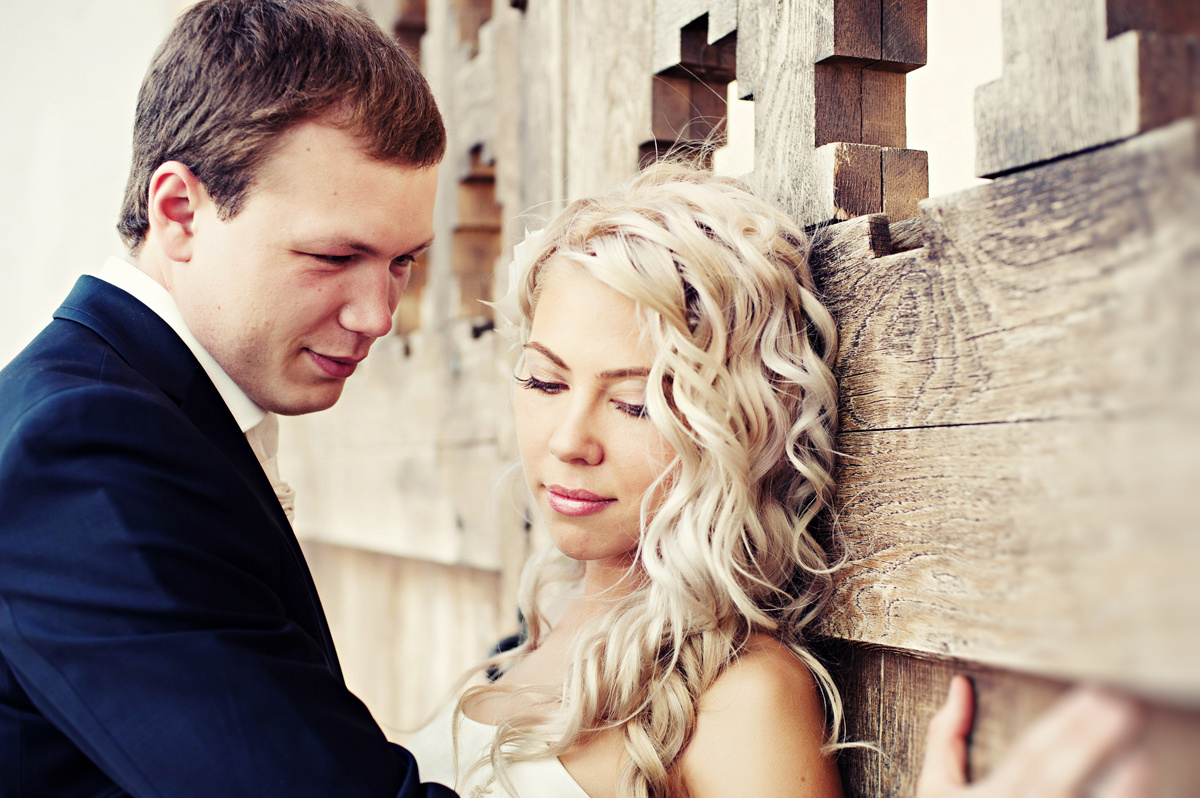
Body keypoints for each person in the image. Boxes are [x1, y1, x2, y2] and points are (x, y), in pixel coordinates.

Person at [403, 163, 1151, 798]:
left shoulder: (740, 698)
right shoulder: (541, 628)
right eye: (543, 382)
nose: (569, 442)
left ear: (736, 428)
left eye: (635, 403)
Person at [0, 1, 454, 795]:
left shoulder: (124, 402)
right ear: (180, 211)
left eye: (402, 263)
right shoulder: (85, 447)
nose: (378, 316)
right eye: (334, 255)